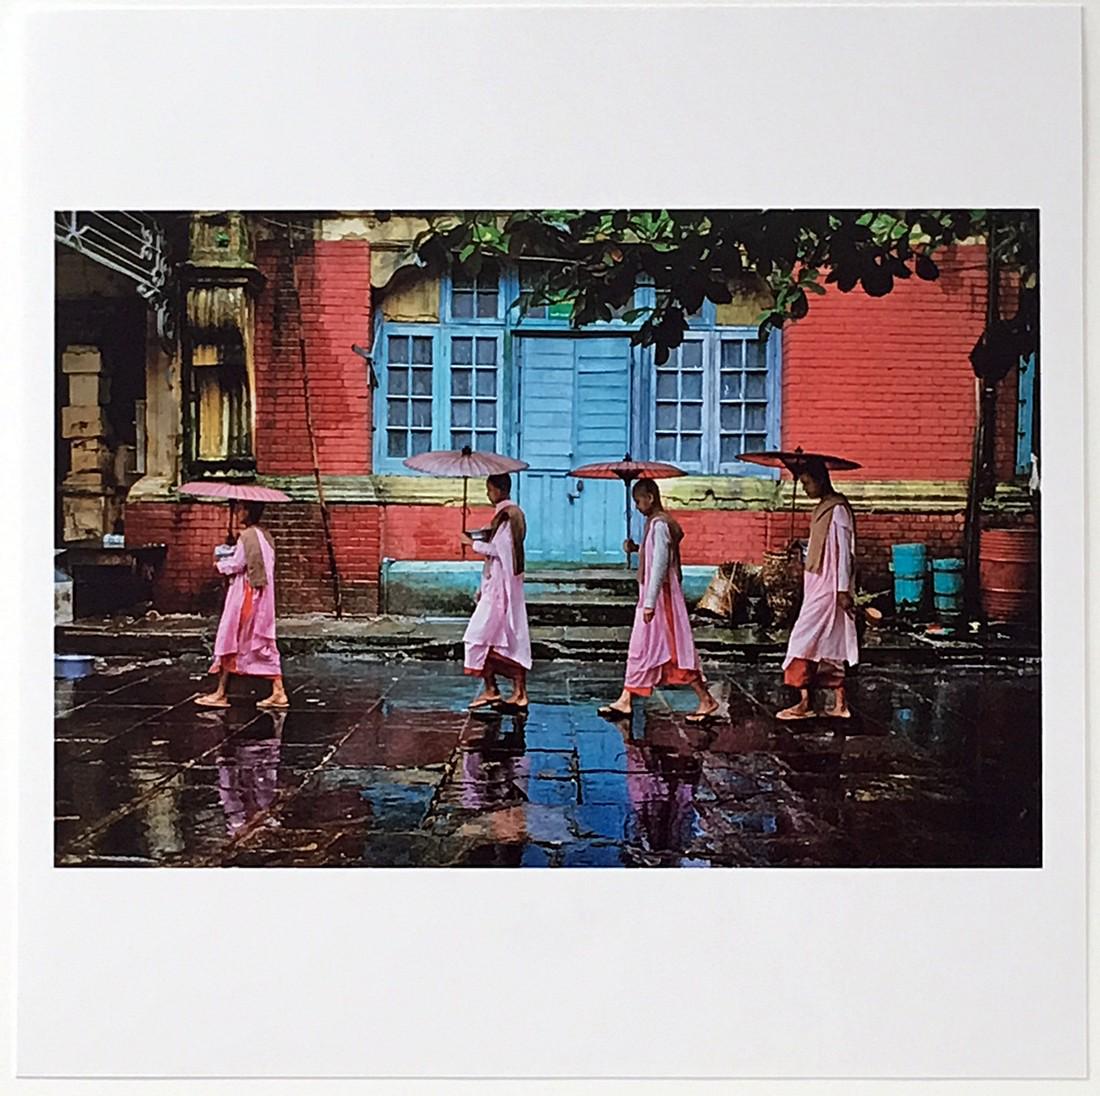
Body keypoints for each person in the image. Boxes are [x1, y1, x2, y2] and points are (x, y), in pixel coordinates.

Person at [598, 478, 718, 723]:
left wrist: (650, 602)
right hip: (652, 597)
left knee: (670, 649)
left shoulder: (660, 525)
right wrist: (637, 548)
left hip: (659, 599)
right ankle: (626, 698)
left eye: (639, 501)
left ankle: (705, 699)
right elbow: (654, 553)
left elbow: (659, 565)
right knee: (646, 648)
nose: (638, 506)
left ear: (650, 498)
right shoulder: (655, 525)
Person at [777, 457, 858, 720]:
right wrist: (801, 546)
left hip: (829, 588)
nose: (804, 488)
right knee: (828, 643)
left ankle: (804, 703)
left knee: (802, 641)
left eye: (806, 482)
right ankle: (838, 703)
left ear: (821, 480)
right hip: (818, 585)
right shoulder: (824, 508)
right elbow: (820, 546)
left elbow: (844, 553)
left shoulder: (838, 510)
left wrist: (843, 589)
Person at [196, 500, 289, 710]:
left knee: (232, 638)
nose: (238, 513)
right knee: (258, 642)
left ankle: (222, 693)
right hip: (261, 595)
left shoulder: (247, 537)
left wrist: (220, 564)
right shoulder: (265, 536)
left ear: (248, 511)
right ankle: (276, 690)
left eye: (241, 509)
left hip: (245, 595)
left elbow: (238, 564)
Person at [459, 473, 531, 711]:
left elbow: (502, 552)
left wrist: (473, 544)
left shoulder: (509, 516)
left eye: (490, 490)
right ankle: (498, 689)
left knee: (479, 636)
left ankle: (506, 690)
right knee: (498, 639)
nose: (488, 495)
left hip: (501, 589)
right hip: (496, 585)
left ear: (500, 490)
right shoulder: (505, 516)